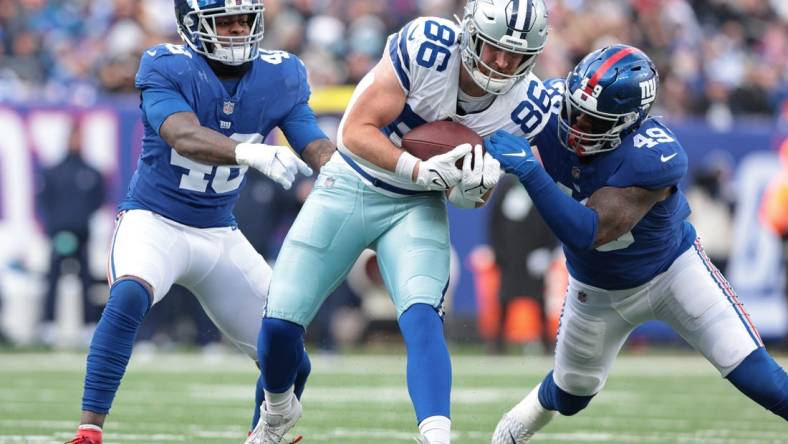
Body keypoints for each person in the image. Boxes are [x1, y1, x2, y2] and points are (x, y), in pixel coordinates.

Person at [249, 1, 551, 443]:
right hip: (351, 183)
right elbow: (353, 131)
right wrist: (417, 168)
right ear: (469, 34)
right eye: (492, 48)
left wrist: (470, 190)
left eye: (516, 54)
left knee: (423, 319)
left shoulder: (527, 105)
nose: (502, 62)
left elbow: (475, 195)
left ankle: (436, 437)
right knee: (279, 323)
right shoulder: (428, 48)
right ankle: (277, 414)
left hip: (416, 205)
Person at [484, 44, 788, 443]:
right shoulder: (549, 107)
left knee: (755, 373)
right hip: (597, 290)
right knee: (572, 395)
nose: (576, 125)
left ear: (628, 122)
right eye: (575, 111)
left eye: (593, 122)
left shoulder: (653, 156)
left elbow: (589, 232)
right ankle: (524, 415)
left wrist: (528, 169)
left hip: (673, 272)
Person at [66, 1, 335, 443]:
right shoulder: (166, 64)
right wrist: (247, 150)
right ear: (192, 26)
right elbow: (181, 133)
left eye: (243, 20)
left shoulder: (280, 74)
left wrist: (350, 170)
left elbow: (313, 142)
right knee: (130, 292)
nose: (235, 31)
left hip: (218, 232)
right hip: (155, 221)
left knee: (290, 355)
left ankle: (262, 436)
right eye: (223, 22)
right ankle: (89, 431)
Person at [37, 122, 105, 342]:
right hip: (59, 235)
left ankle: (88, 326)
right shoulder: (54, 171)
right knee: (53, 279)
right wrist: (56, 225)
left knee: (86, 281)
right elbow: (45, 201)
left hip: (82, 234)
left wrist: (79, 220)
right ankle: (48, 326)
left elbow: (98, 200)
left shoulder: (91, 172)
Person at [487, 175, 558, 354]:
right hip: (510, 257)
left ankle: (546, 344)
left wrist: (547, 251)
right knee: (505, 299)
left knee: (539, 300)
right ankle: (498, 344)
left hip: (533, 256)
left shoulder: (541, 184)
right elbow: (494, 223)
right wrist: (498, 253)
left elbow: (553, 219)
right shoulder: (505, 187)